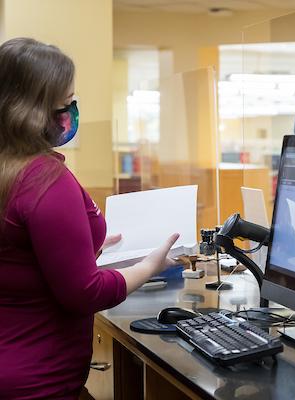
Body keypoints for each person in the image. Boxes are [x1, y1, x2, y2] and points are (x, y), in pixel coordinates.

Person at [0, 38, 179, 399]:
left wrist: (86, 247)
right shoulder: (45, 180)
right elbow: (85, 293)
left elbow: (18, 262)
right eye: (65, 103)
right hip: (39, 382)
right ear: (32, 110)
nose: (70, 112)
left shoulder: (9, 170)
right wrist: (149, 265)